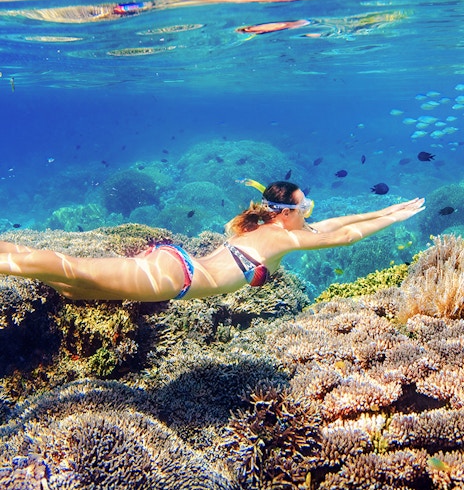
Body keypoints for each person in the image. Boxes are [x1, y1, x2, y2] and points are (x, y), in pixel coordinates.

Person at [0, 181, 425, 302]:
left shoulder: (275, 229)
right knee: (57, 265)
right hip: (173, 277)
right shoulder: (282, 240)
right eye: (305, 205)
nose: (312, 210)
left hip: (173, 265)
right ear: (286, 213)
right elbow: (347, 237)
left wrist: (387, 210)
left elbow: (341, 220)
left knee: (71, 287)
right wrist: (398, 218)